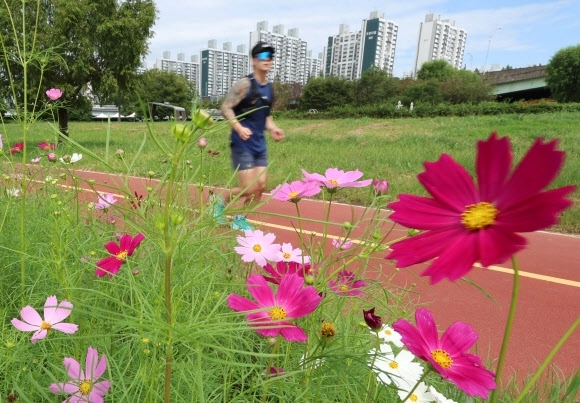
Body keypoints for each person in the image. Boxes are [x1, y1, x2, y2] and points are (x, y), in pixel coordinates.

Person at [212, 41, 284, 230]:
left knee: (261, 186)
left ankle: (240, 218)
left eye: (270, 56)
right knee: (249, 187)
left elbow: (266, 116)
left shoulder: (270, 89)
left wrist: (273, 128)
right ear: (254, 60)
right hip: (242, 143)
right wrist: (238, 127)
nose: (267, 59)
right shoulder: (245, 84)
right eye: (263, 55)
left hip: (259, 144)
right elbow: (225, 108)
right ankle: (218, 201)